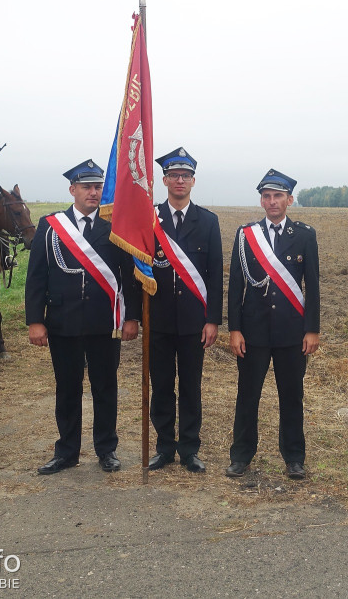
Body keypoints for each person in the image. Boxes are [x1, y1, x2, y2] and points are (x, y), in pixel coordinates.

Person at [26, 160, 140, 475]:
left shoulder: (115, 225)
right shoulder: (50, 225)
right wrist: (35, 320)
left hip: (105, 322)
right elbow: (36, 277)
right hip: (63, 321)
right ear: (72, 189)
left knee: (105, 387)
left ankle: (107, 450)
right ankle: (67, 452)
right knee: (67, 388)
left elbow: (128, 276)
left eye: (98, 186)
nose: (93, 192)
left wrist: (131, 317)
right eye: (87, 187)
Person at [226, 169, 320, 480]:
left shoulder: (305, 235)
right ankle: (241, 456)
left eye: (278, 195)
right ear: (262, 201)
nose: (272, 201)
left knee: (291, 396)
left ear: (289, 199)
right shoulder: (245, 235)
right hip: (253, 332)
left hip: (292, 332)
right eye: (266, 196)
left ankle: (294, 457)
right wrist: (235, 329)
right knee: (247, 395)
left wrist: (312, 329)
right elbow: (236, 285)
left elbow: (313, 287)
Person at [147, 148, 222, 474]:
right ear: (164, 180)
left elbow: (215, 274)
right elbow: (136, 270)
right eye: (174, 175)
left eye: (185, 176)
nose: (180, 180)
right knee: (162, 386)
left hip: (194, 322)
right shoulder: (148, 218)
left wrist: (213, 320)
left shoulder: (207, 221)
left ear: (193, 181)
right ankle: (164, 448)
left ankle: (189, 449)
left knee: (191, 387)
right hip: (159, 319)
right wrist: (137, 315)